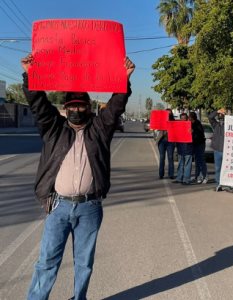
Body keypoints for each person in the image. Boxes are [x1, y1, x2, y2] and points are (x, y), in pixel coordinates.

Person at [22, 54, 135, 300]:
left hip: (90, 207)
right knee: (47, 262)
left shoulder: (99, 130)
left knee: (84, 263)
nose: (76, 109)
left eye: (81, 105)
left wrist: (124, 81)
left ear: (88, 106)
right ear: (65, 108)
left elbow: (115, 108)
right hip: (58, 206)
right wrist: (30, 74)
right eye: (71, 105)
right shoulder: (54, 129)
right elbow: (39, 105)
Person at [208, 108, 226, 191]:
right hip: (217, 150)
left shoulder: (228, 126)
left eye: (222, 117)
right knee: (217, 168)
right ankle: (218, 184)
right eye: (219, 117)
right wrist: (217, 111)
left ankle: (226, 184)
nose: (221, 118)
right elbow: (210, 117)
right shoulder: (216, 125)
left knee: (225, 169)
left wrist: (225, 114)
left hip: (226, 150)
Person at [155, 108, 175, 179]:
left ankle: (171, 174)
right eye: (167, 113)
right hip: (162, 141)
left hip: (170, 141)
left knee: (170, 157)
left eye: (170, 113)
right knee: (162, 157)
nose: (168, 114)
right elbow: (156, 126)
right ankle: (161, 174)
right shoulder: (161, 120)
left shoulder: (173, 121)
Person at [174, 113, 193, 185]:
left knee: (187, 165)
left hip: (188, 149)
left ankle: (186, 180)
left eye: (184, 118)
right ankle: (179, 178)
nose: (183, 120)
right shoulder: (178, 127)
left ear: (187, 118)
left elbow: (194, 137)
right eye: (181, 118)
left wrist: (192, 132)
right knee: (180, 164)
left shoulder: (190, 126)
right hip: (180, 149)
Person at [189, 111, 208, 184]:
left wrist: (193, 131)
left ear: (192, 118)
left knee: (201, 160)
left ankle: (205, 176)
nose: (188, 119)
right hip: (194, 144)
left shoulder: (198, 124)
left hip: (200, 144)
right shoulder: (191, 124)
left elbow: (200, 134)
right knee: (197, 161)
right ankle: (197, 176)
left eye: (189, 117)